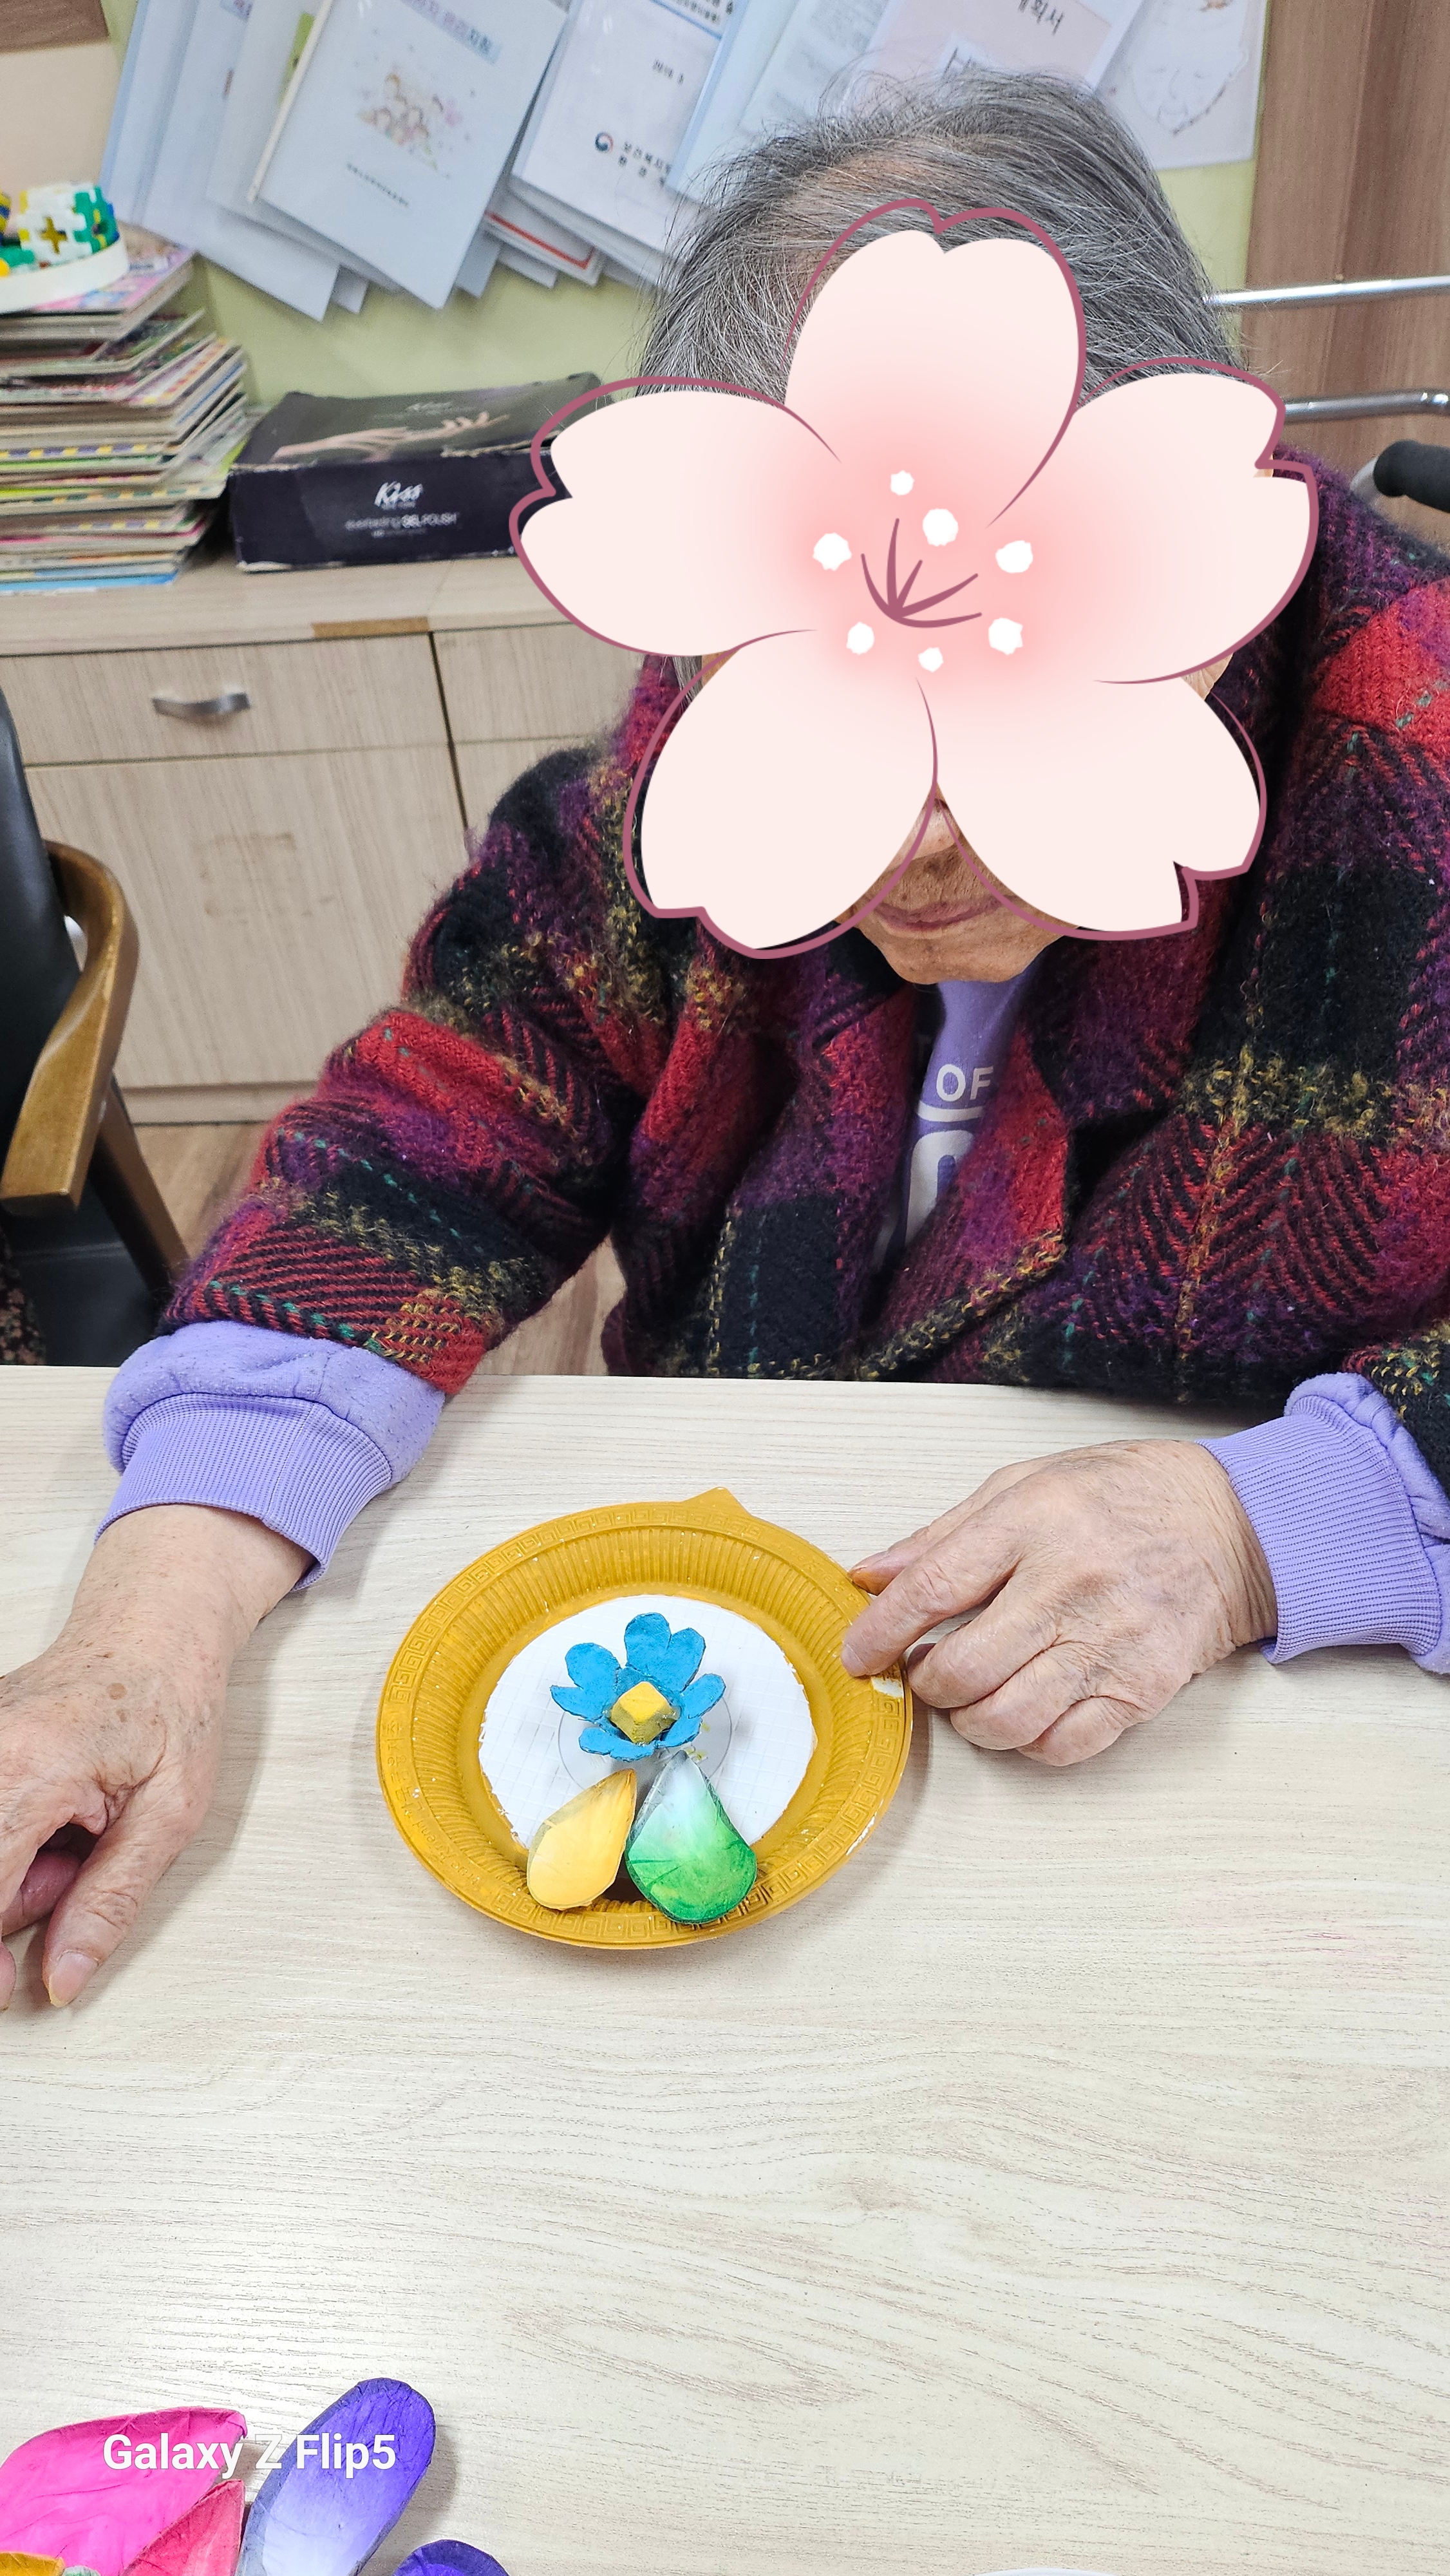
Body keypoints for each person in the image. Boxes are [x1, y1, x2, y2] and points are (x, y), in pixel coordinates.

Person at [5, 70, 1450, 2014]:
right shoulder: (700, 747)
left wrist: (1265, 1524)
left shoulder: (1413, 757)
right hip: (741, 1650)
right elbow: (428, 1143)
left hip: (1216, 1798)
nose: (916, 838)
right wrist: (143, 1637)